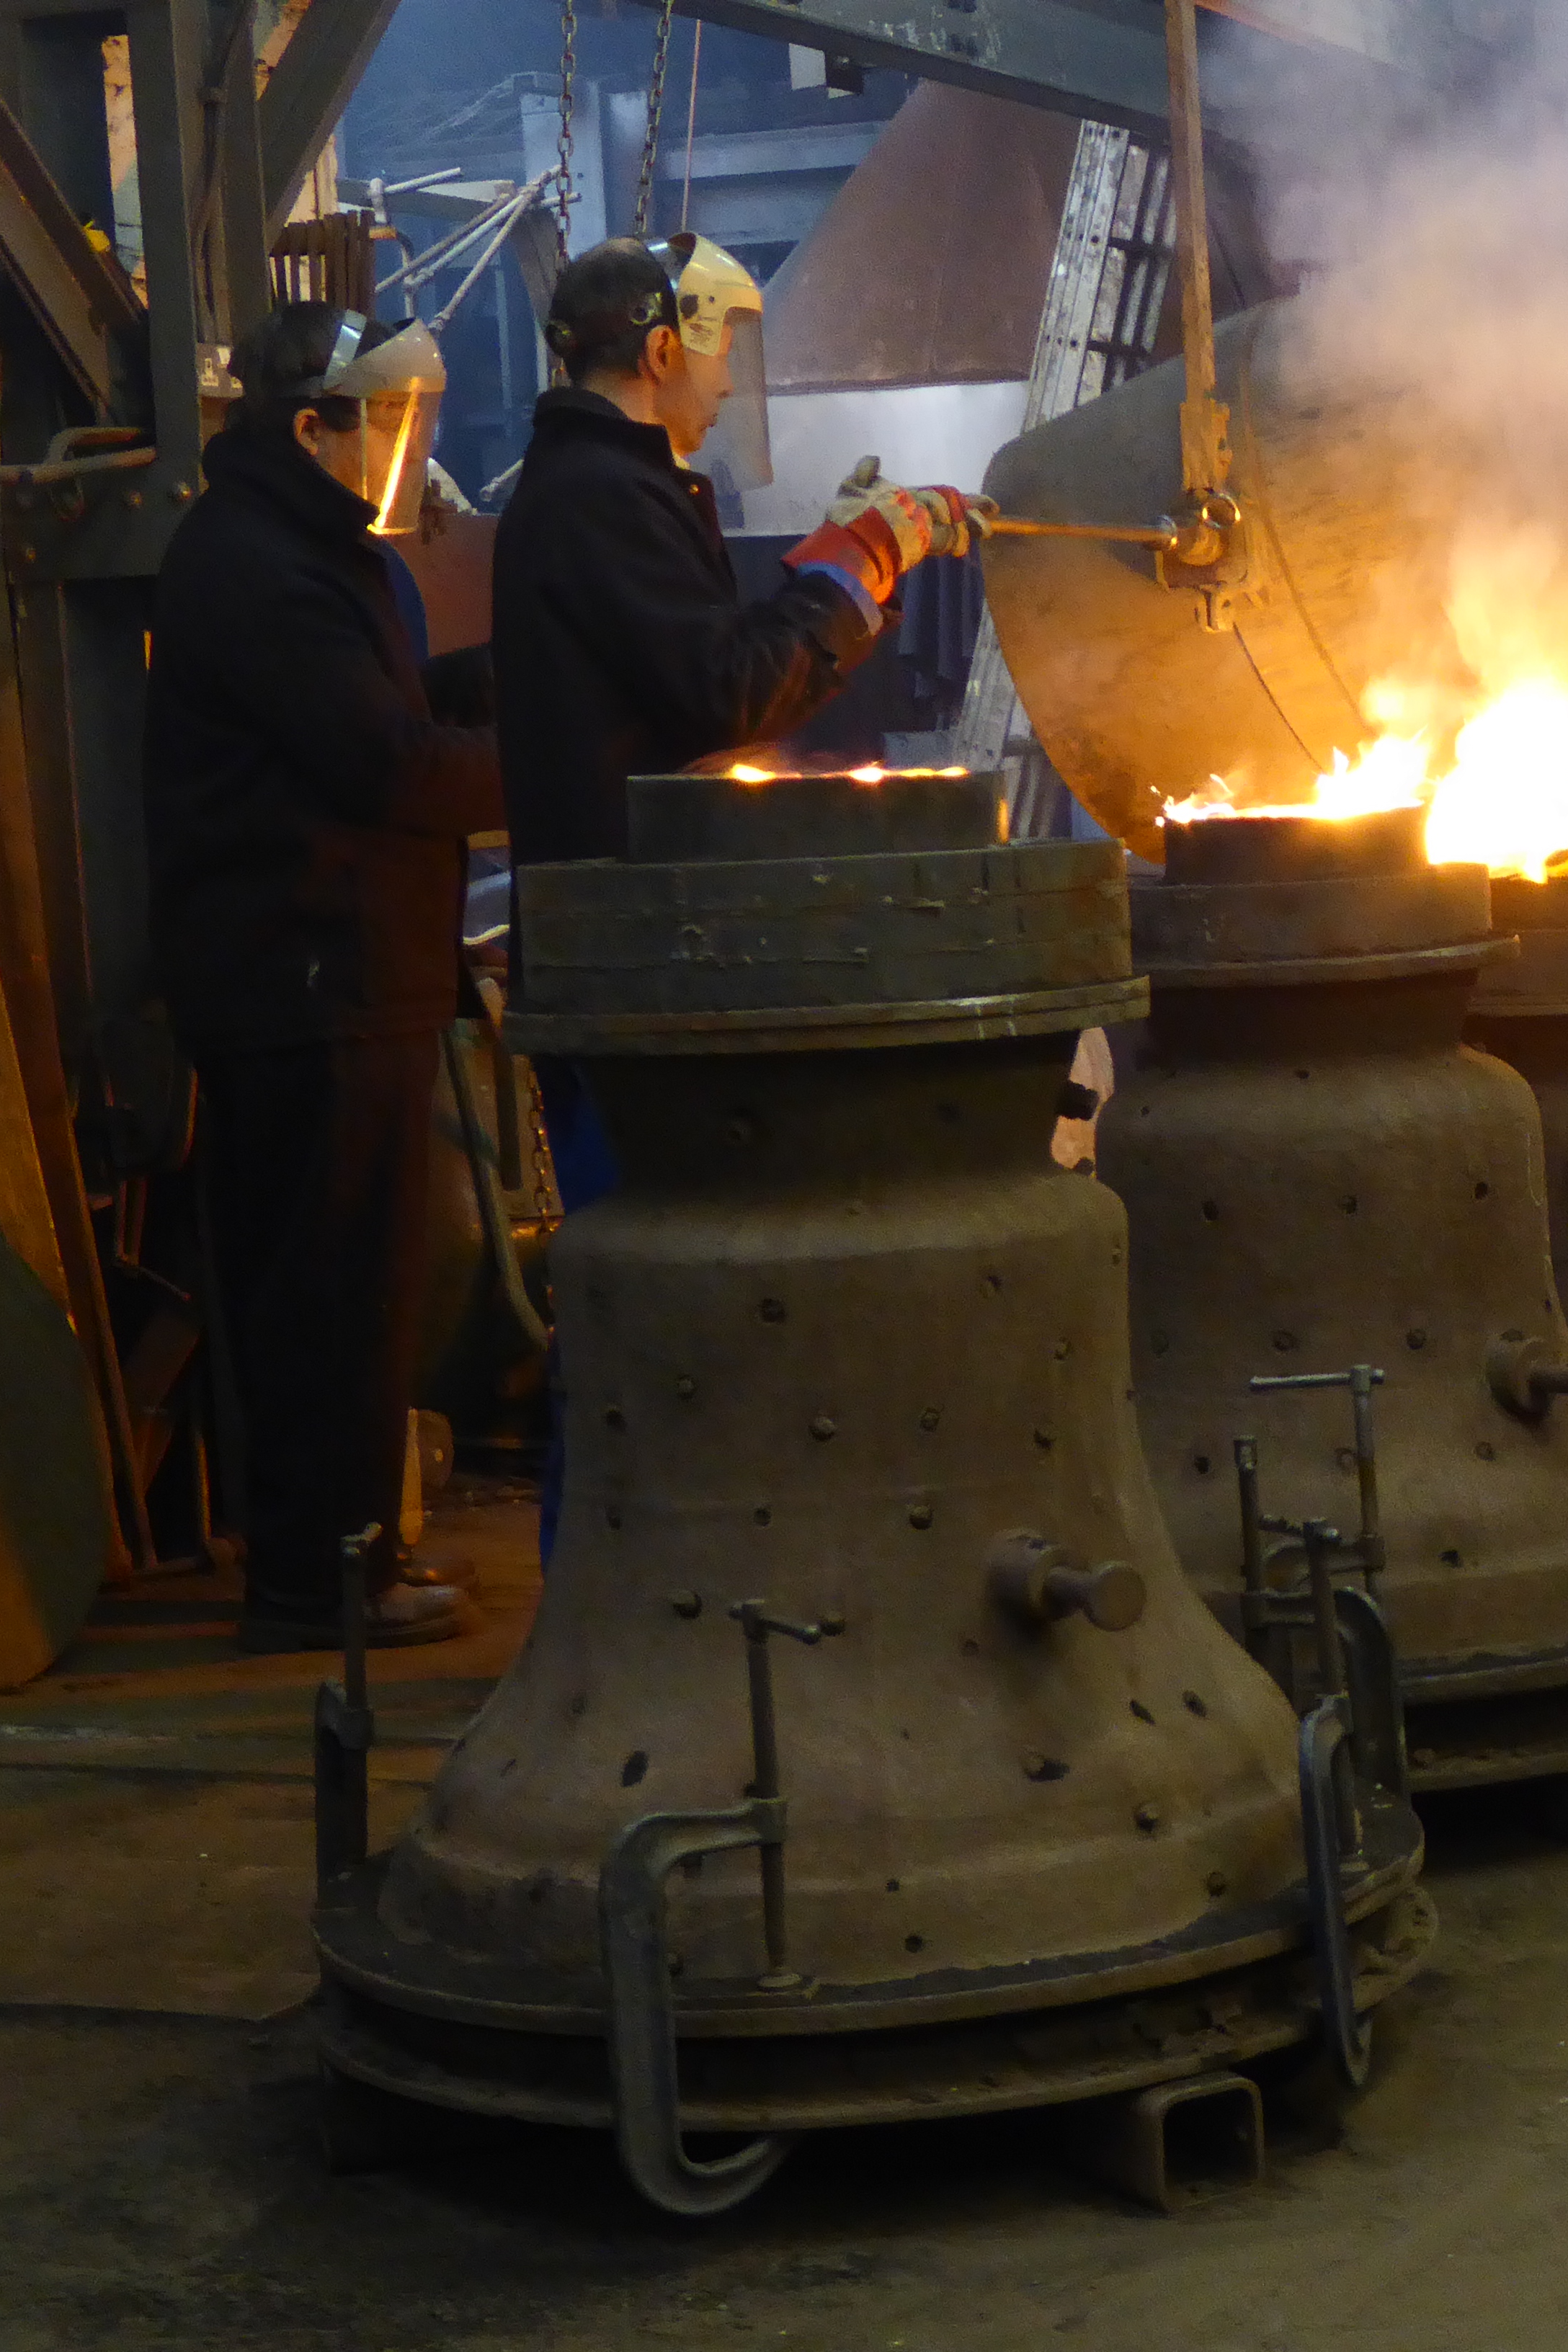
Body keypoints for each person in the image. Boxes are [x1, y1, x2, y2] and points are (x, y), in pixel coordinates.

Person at [494, 233, 980, 1553]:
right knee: (646, 1317)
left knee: (653, 1308)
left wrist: (836, 567)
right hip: (629, 975)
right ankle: (611, 1607)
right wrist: (855, 565)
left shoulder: (608, 486)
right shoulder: (601, 496)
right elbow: (721, 692)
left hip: (630, 958)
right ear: (658, 350)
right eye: (716, 353)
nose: (723, 383)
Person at [143, 303, 497, 1652]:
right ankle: (321, 1579)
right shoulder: (264, 567)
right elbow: (385, 766)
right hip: (309, 979)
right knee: (328, 1297)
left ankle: (349, 1553)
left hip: (332, 971)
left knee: (347, 1289)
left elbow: (384, 709)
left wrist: (496, 676)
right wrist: (558, 758)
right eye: (382, 421)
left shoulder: (292, 546)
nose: (399, 449)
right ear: (312, 425)